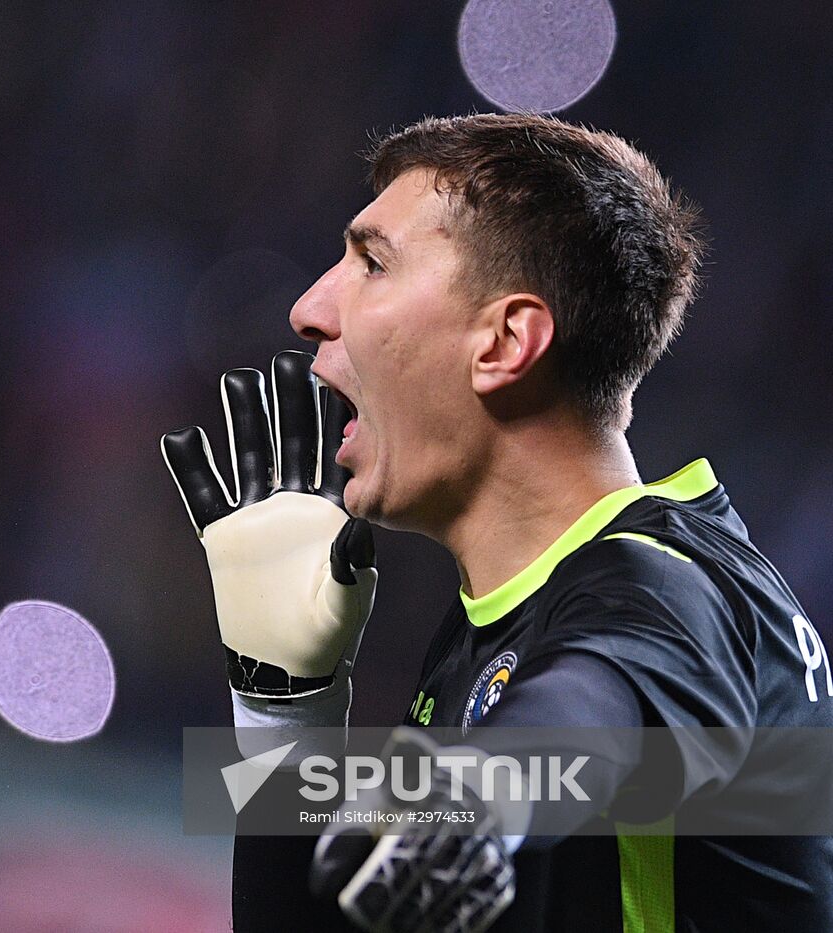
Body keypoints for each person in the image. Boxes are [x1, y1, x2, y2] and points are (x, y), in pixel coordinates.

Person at [161, 112, 833, 931]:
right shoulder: (496, 625)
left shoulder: (668, 584)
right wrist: (285, 711)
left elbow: (594, 702)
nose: (308, 308)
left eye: (372, 262)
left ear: (506, 341)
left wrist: (482, 793)